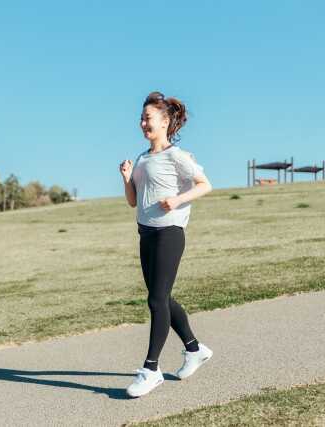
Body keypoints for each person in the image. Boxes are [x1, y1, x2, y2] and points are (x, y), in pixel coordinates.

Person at [118, 91, 214, 398]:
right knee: (161, 298)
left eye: (148, 118)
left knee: (156, 301)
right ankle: (194, 349)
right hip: (145, 233)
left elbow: (205, 185)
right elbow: (134, 202)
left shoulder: (177, 156)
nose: (143, 122)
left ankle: (151, 369)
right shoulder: (144, 159)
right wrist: (127, 178)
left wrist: (176, 199)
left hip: (170, 233)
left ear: (165, 121)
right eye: (142, 118)